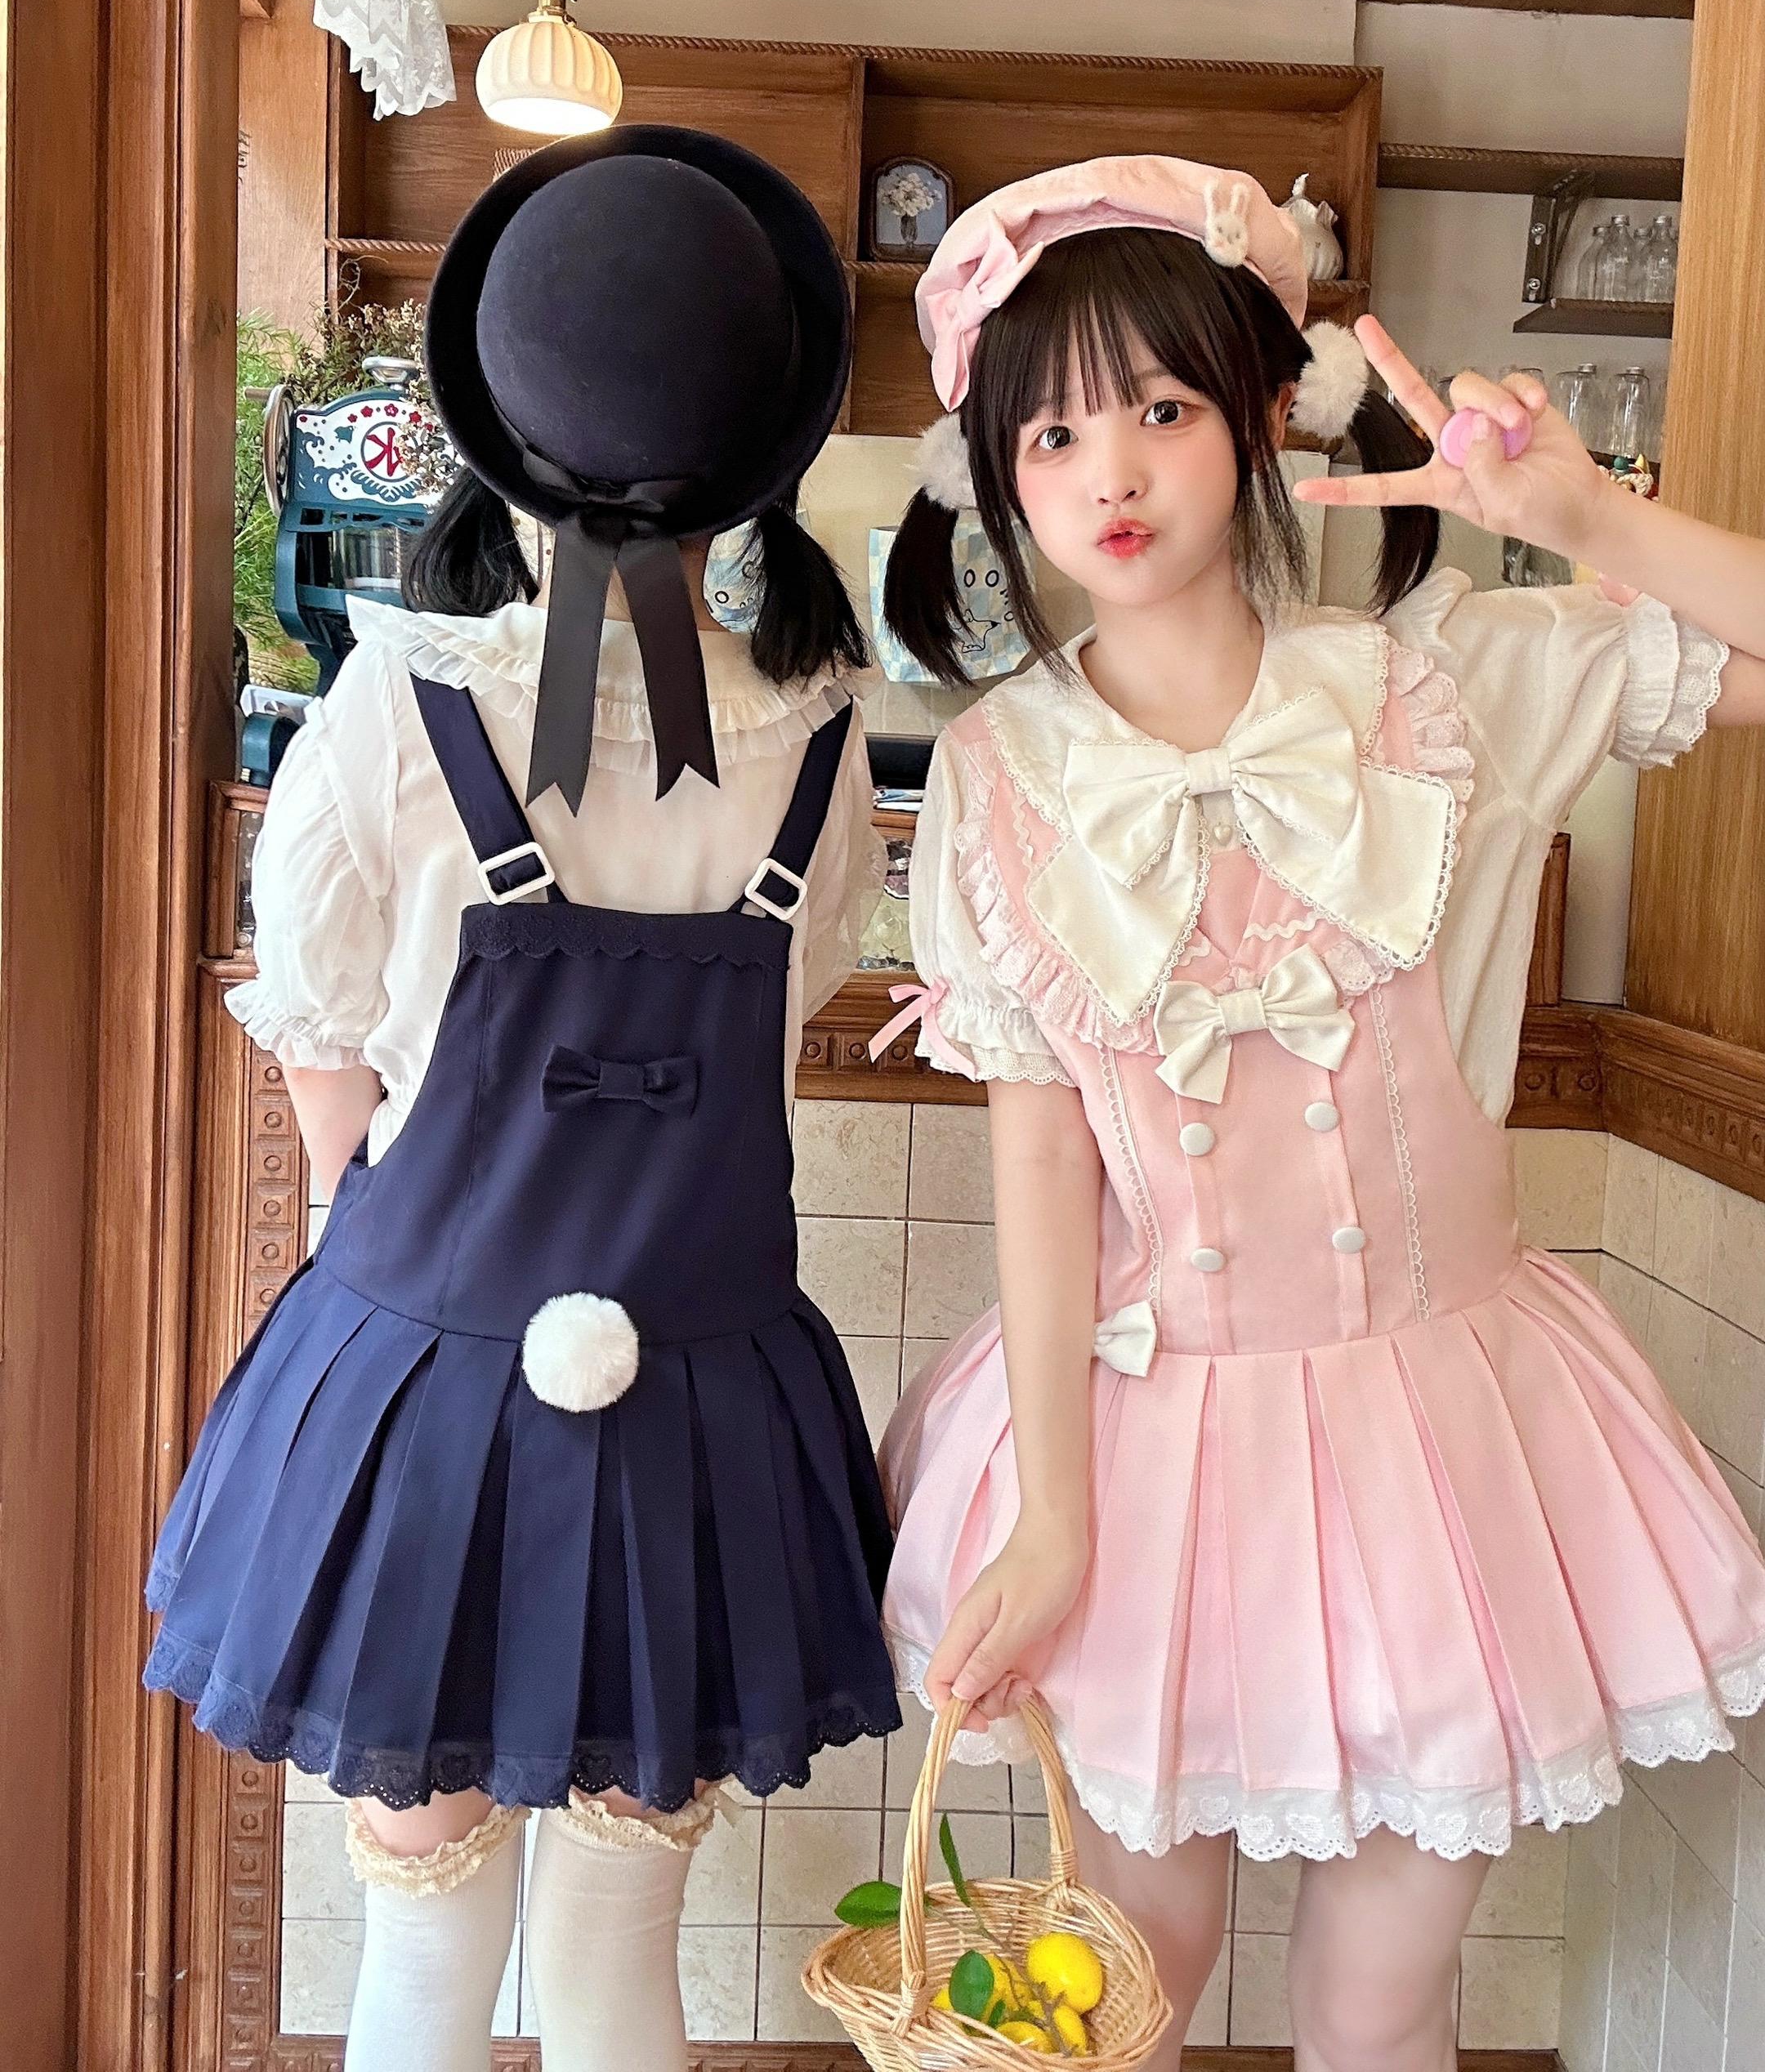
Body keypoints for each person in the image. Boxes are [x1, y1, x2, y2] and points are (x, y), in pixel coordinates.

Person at [874, 154, 1765, 2070]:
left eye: (1161, 408)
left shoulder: (1451, 692)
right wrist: (1052, 1513)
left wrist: (1587, 514)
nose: (1109, 474)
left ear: (1265, 416)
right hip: (1144, 1454)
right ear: (1000, 478)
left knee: (1381, 2012)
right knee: (1120, 1995)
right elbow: (1039, 1155)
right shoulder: (999, 775)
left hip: (1443, 1450)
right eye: (1050, 436)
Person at [145, 128, 901, 2072]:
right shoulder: (821, 744)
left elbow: (318, 1022)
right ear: (761, 441)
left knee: (421, 1942)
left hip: (421, 1373)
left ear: (500, 421)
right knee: (621, 1947)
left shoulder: (395, 706)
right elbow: (794, 1015)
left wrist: (391, 1242)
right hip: (708, 1394)